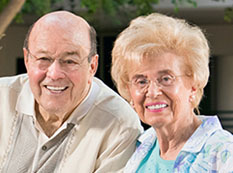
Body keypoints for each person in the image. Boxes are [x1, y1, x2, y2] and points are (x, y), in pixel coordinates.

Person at [0, 11, 143, 173]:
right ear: (27, 59)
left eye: (70, 61)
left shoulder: (120, 126)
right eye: (43, 59)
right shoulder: (2, 98)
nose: (54, 74)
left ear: (92, 66)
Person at [111, 13, 233, 172]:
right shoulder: (138, 148)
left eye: (166, 79)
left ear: (193, 85)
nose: (153, 92)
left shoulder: (224, 153)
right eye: (141, 81)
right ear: (129, 91)